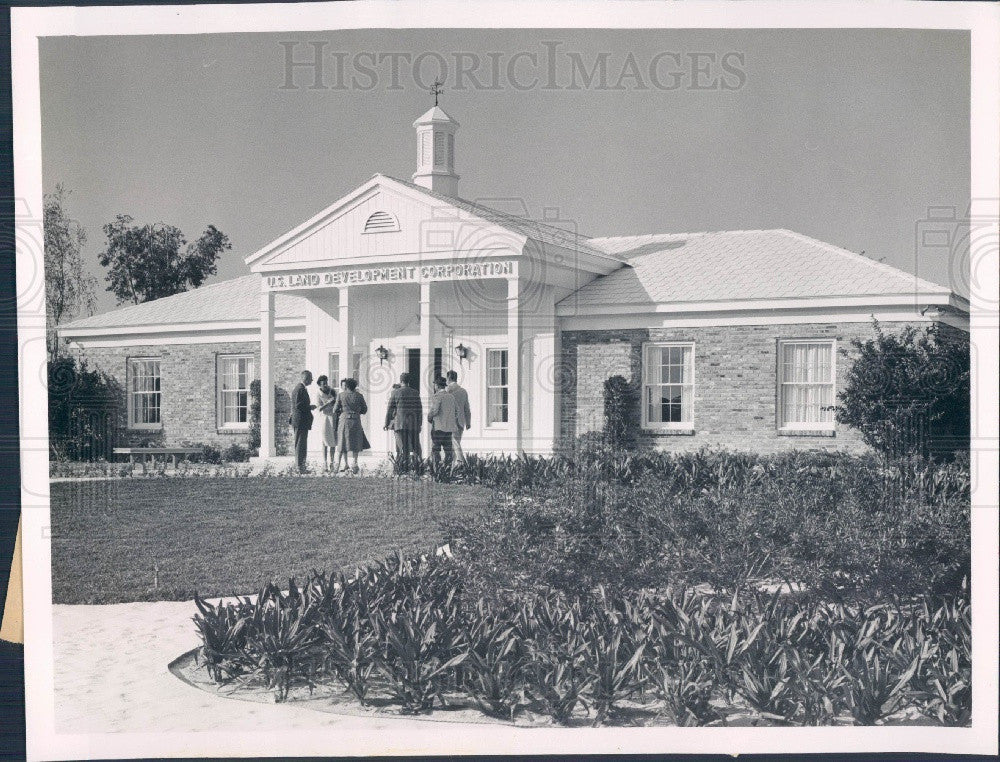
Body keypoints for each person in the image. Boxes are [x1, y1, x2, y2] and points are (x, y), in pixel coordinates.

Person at [384, 372, 423, 465]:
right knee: (416, 446)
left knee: (402, 447)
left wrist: (386, 423)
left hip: (400, 423)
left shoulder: (395, 392)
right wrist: (419, 424)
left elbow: (390, 409)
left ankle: (404, 468)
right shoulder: (415, 392)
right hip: (413, 423)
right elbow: (419, 410)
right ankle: (419, 466)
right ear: (409, 381)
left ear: (401, 381)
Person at [332, 377, 369, 475]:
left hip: (344, 420)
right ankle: (355, 464)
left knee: (341, 442)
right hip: (356, 420)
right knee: (355, 443)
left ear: (347, 386)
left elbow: (335, 409)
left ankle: (337, 465)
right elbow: (365, 410)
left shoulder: (341, 395)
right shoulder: (359, 396)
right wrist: (357, 411)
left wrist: (342, 410)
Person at [427, 375, 458, 469]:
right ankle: (448, 468)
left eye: (435, 385)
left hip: (438, 427)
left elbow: (435, 410)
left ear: (437, 385)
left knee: (435, 448)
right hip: (449, 428)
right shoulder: (451, 397)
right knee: (448, 449)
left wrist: (429, 417)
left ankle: (437, 468)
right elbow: (457, 411)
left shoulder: (437, 397)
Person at [289, 370, 316, 474]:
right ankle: (299, 467)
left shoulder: (301, 389)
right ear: (306, 378)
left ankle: (301, 466)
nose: (312, 380)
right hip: (300, 420)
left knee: (302, 444)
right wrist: (310, 407)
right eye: (311, 378)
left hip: (302, 420)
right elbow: (298, 405)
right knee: (300, 444)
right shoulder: (300, 389)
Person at [446, 369, 471, 466]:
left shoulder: (448, 390)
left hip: (451, 421)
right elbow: (466, 408)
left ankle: (462, 463)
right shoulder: (463, 391)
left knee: (455, 443)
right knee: (456, 443)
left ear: (449, 378)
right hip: (461, 421)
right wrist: (468, 422)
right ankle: (454, 465)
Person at [315, 375, 338, 470]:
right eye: (323, 383)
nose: (325, 385)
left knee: (333, 440)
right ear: (320, 384)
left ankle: (332, 462)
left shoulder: (332, 391)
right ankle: (324, 462)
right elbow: (319, 408)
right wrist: (328, 403)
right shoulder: (318, 393)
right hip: (324, 418)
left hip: (332, 416)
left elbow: (337, 402)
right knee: (325, 440)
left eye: (326, 382)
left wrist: (334, 401)